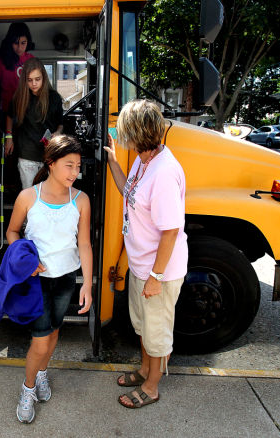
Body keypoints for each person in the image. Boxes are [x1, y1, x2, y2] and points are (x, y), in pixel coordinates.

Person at [103, 99, 188, 409]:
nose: (121, 133)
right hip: (143, 266)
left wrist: (155, 276)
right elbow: (130, 191)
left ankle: (152, 387)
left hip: (158, 271)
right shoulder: (144, 159)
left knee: (157, 334)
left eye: (125, 129)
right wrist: (113, 161)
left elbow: (171, 231)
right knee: (144, 328)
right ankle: (144, 370)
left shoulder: (164, 172)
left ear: (137, 133)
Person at [6, 134, 92, 423]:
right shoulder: (28, 197)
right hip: (36, 282)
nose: (74, 172)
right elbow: (12, 232)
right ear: (51, 163)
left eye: (78, 166)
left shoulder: (81, 200)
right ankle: (27, 389)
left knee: (54, 333)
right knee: (40, 341)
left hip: (65, 279)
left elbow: (84, 245)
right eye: (68, 165)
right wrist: (26, 261)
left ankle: (42, 374)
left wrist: (88, 286)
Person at [6, 58, 64, 188]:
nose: (34, 84)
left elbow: (60, 123)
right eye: (30, 80)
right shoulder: (19, 97)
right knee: (29, 195)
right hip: (27, 154)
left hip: (49, 155)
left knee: (49, 195)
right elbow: (9, 116)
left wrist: (58, 132)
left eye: (37, 79)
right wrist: (8, 137)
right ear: (24, 80)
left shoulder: (54, 97)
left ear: (44, 77)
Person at [0, 22, 35, 115]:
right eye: (15, 43)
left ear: (28, 42)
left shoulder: (31, 60)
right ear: (10, 42)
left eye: (23, 43)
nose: (19, 47)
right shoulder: (1, 61)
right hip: (7, 112)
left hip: (28, 112)